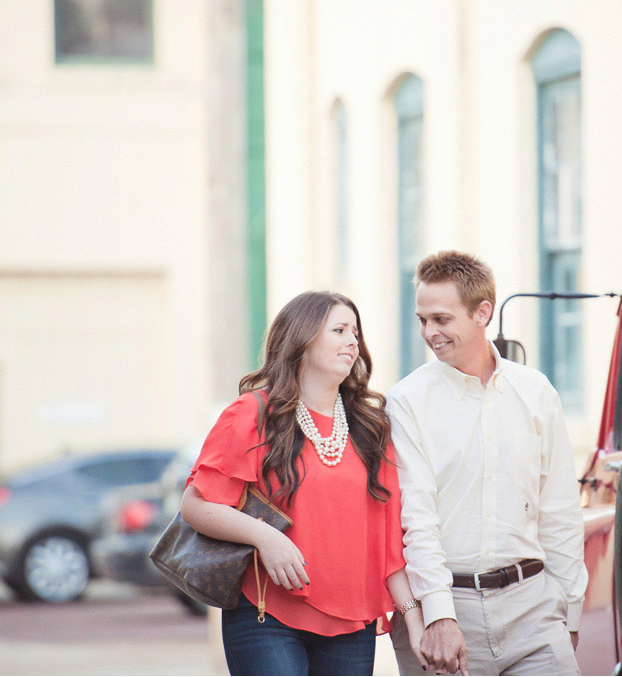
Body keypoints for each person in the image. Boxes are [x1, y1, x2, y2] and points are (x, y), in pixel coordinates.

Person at [180, 291, 426, 676]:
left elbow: (388, 541)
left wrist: (413, 617)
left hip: (351, 625)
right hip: (267, 615)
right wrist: (266, 537)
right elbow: (196, 505)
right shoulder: (252, 414)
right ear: (303, 338)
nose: (352, 342)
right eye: (339, 330)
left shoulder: (371, 428)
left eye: (355, 333)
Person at [386, 251, 587, 676]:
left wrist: (569, 608)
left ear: (482, 313)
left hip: (533, 608)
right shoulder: (406, 402)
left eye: (441, 319)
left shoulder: (535, 392)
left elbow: (560, 511)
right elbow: (415, 518)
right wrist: (439, 616)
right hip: (446, 610)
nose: (429, 333)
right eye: (422, 320)